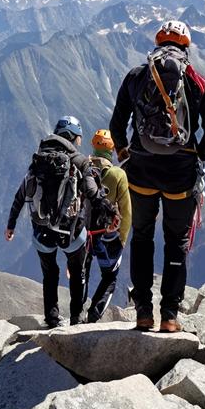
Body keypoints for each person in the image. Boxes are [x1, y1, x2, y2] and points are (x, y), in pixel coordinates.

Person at [108, 20, 205, 332]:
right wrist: (197, 157)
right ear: (187, 46)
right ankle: (170, 316)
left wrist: (126, 155)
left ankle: (143, 310)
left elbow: (117, 125)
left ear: (158, 44)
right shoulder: (199, 81)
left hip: (141, 172)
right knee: (176, 243)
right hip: (180, 176)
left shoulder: (137, 75)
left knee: (142, 238)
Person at [6, 116, 110, 328]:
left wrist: (11, 225)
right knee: (78, 273)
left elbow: (21, 194)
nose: (80, 141)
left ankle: (52, 318)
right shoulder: (80, 161)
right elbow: (92, 192)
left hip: (42, 230)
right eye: (79, 137)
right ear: (73, 137)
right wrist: (108, 210)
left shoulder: (37, 161)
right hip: (72, 231)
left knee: (50, 273)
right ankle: (75, 318)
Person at [84, 129, 131, 323]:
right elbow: (126, 210)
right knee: (110, 276)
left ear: (94, 146)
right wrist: (122, 238)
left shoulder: (82, 168)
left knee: (82, 273)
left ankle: (77, 312)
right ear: (111, 150)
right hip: (107, 236)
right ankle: (94, 314)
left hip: (83, 233)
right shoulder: (118, 174)